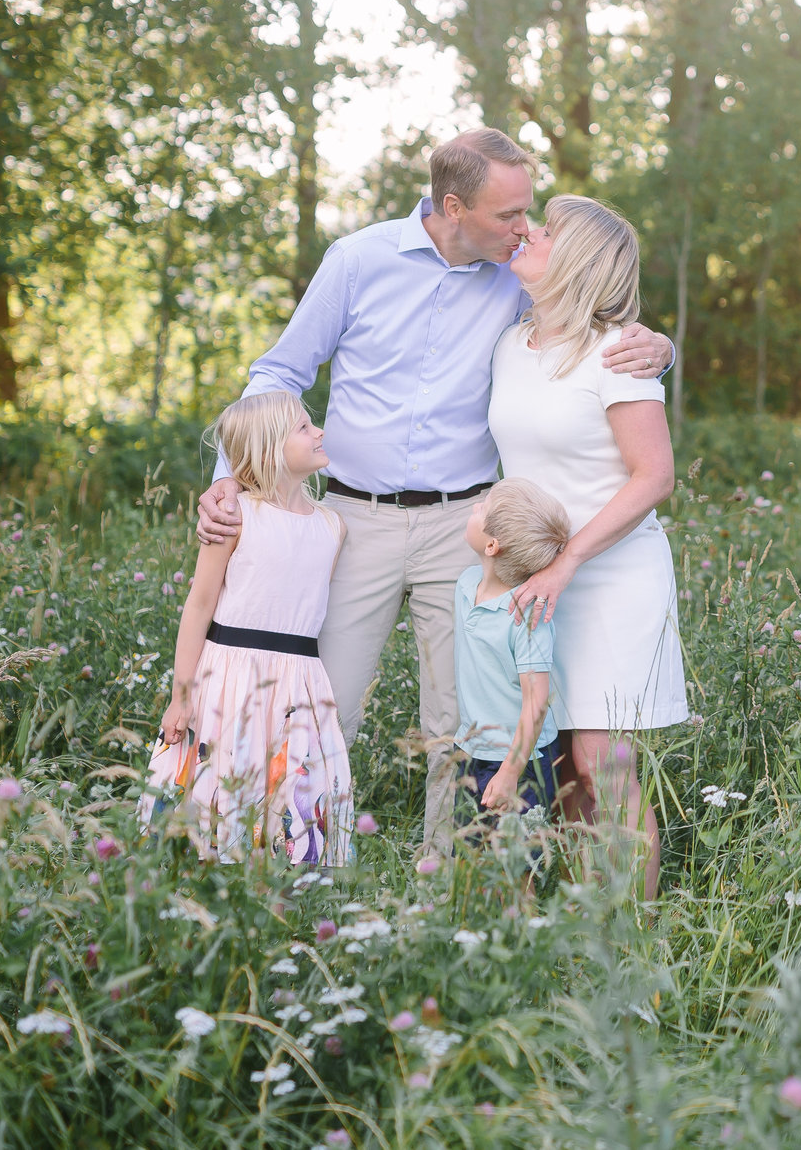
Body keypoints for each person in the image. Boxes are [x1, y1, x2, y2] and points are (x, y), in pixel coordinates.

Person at [193, 128, 672, 850]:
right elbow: (280, 372)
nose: (523, 227)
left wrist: (662, 350)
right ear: (454, 205)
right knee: (326, 702)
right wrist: (230, 480)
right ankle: (289, 862)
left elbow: (594, 323)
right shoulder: (358, 261)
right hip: (355, 516)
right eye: (509, 214)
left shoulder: (516, 282)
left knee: (469, 717)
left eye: (527, 213)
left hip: (469, 526)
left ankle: (452, 884)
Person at [489, 195, 685, 896]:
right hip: (537, 579)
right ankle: (586, 922)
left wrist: (570, 558)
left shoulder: (619, 351)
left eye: (546, 229)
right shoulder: (511, 344)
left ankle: (633, 938)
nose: (528, 232)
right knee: (564, 764)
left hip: (610, 576)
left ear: (576, 259)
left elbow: (654, 475)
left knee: (604, 759)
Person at [143, 392, 352, 865]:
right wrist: (181, 695)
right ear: (269, 447)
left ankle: (284, 902)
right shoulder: (236, 518)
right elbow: (198, 607)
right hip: (228, 680)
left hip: (299, 684)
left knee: (289, 796)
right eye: (303, 428)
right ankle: (205, 894)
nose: (318, 432)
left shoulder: (332, 527)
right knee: (218, 790)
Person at [450, 477, 572, 848]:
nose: (474, 507)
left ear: (491, 544)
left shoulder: (525, 618)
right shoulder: (466, 584)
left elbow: (536, 704)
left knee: (518, 867)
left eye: (482, 508)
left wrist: (510, 771)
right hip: (474, 751)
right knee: (471, 858)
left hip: (522, 760)